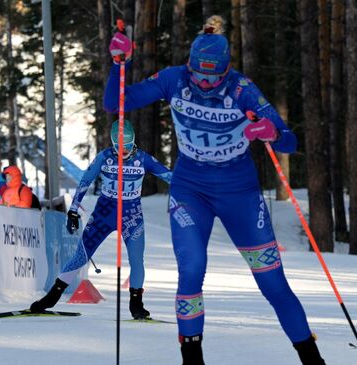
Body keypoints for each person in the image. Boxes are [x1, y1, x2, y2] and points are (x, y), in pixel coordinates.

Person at [104, 15, 325, 365]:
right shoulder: (174, 79)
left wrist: (270, 131)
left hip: (240, 194)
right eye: (199, 74)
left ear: (226, 71)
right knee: (191, 270)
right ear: (189, 66)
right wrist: (120, 65)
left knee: (273, 283)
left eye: (214, 76)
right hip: (191, 190)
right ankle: (192, 359)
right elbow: (116, 104)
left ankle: (312, 359)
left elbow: (289, 140)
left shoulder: (242, 89)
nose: (206, 83)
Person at [30, 120, 172, 319]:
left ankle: (136, 304)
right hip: (104, 213)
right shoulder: (104, 157)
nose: (123, 152)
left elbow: (170, 177)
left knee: (137, 260)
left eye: (128, 147)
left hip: (131, 216)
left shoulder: (143, 159)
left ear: (134, 143)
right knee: (81, 256)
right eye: (119, 147)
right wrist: (73, 210)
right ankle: (51, 297)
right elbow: (85, 181)